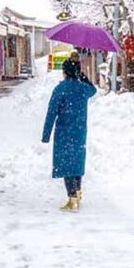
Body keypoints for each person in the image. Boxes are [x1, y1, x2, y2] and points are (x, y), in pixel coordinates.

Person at [41, 58, 97, 213]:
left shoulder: (61, 89)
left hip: (64, 133)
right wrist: (84, 78)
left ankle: (72, 199)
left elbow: (51, 112)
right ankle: (78, 193)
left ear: (64, 72)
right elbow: (94, 90)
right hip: (79, 132)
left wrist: (46, 135)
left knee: (66, 165)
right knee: (77, 163)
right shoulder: (83, 88)